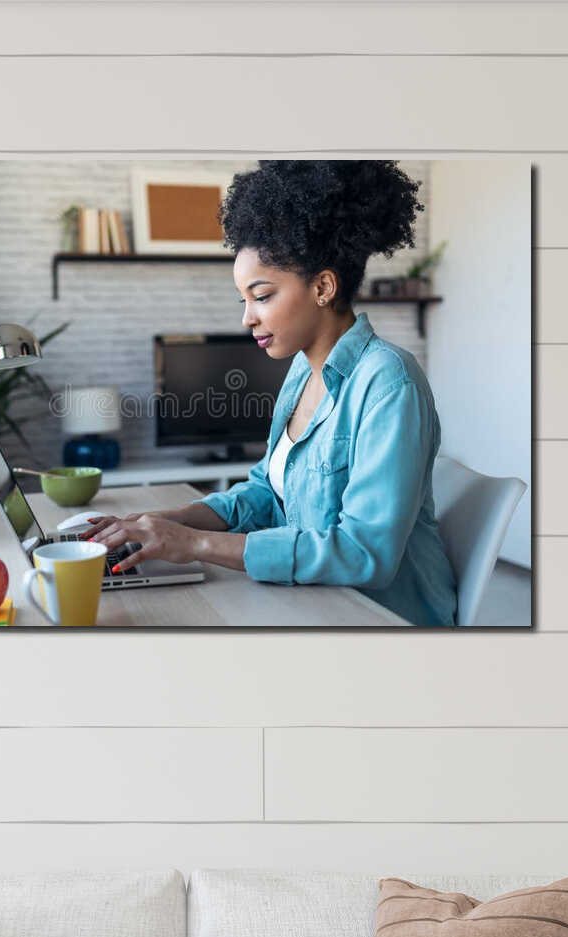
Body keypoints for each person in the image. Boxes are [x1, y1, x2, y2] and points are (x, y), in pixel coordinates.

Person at [79, 160, 459, 627]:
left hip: (378, 618)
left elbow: (366, 554)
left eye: (261, 296)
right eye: (244, 300)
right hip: (313, 601)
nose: (247, 318)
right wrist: (160, 523)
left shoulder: (389, 381)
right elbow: (266, 493)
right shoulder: (301, 371)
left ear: (323, 286)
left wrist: (196, 545)